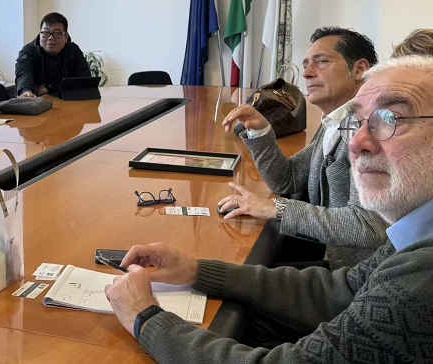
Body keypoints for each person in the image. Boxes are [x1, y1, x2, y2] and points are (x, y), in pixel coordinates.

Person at [105, 55, 433, 361]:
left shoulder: (420, 278)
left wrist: (145, 318)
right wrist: (196, 270)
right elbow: (342, 290)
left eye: (392, 118)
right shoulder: (413, 231)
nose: (357, 142)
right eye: (358, 122)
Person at [220, 27, 387, 269]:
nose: (307, 73)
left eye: (322, 62)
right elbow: (287, 179)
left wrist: (275, 208)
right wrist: (260, 130)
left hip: (362, 274)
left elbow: (368, 226)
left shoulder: (372, 131)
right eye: (306, 64)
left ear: (360, 69)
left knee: (231, 274)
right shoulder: (337, 121)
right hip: (334, 257)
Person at [15, 12, 91, 97]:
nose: (50, 38)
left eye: (57, 33)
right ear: (40, 35)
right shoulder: (28, 51)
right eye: (45, 33)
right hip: (37, 101)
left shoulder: (73, 50)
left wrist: (49, 87)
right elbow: (23, 74)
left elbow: (86, 81)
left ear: (66, 37)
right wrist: (26, 91)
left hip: (67, 101)